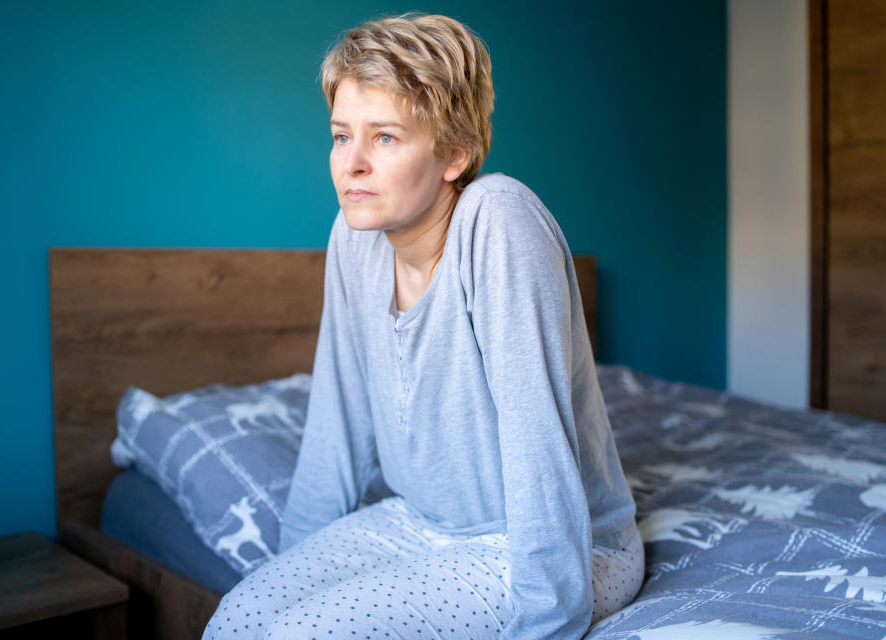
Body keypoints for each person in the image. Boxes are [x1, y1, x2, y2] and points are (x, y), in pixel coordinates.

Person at [203, 13, 642, 640]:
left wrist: (548, 623)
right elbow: (338, 422)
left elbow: (537, 443)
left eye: (384, 137)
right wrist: (294, 566)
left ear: (454, 153)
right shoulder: (353, 241)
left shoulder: (499, 221)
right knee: (236, 622)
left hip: (543, 546)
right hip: (417, 521)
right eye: (339, 135)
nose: (350, 163)